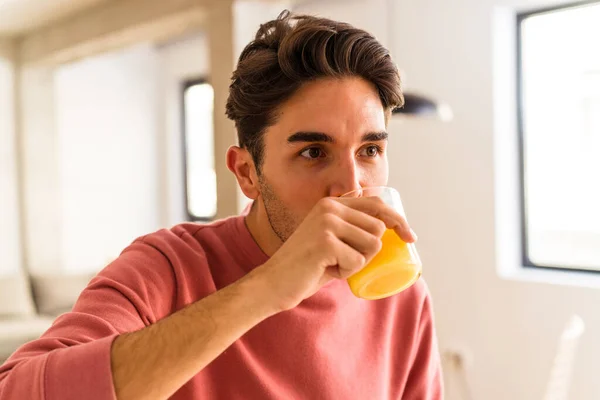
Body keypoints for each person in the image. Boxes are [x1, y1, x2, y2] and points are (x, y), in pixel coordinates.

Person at [0, 10, 442, 400]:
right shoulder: (165, 268)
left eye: (370, 151)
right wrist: (268, 287)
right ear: (247, 173)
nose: (351, 186)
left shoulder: (401, 296)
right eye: (313, 152)